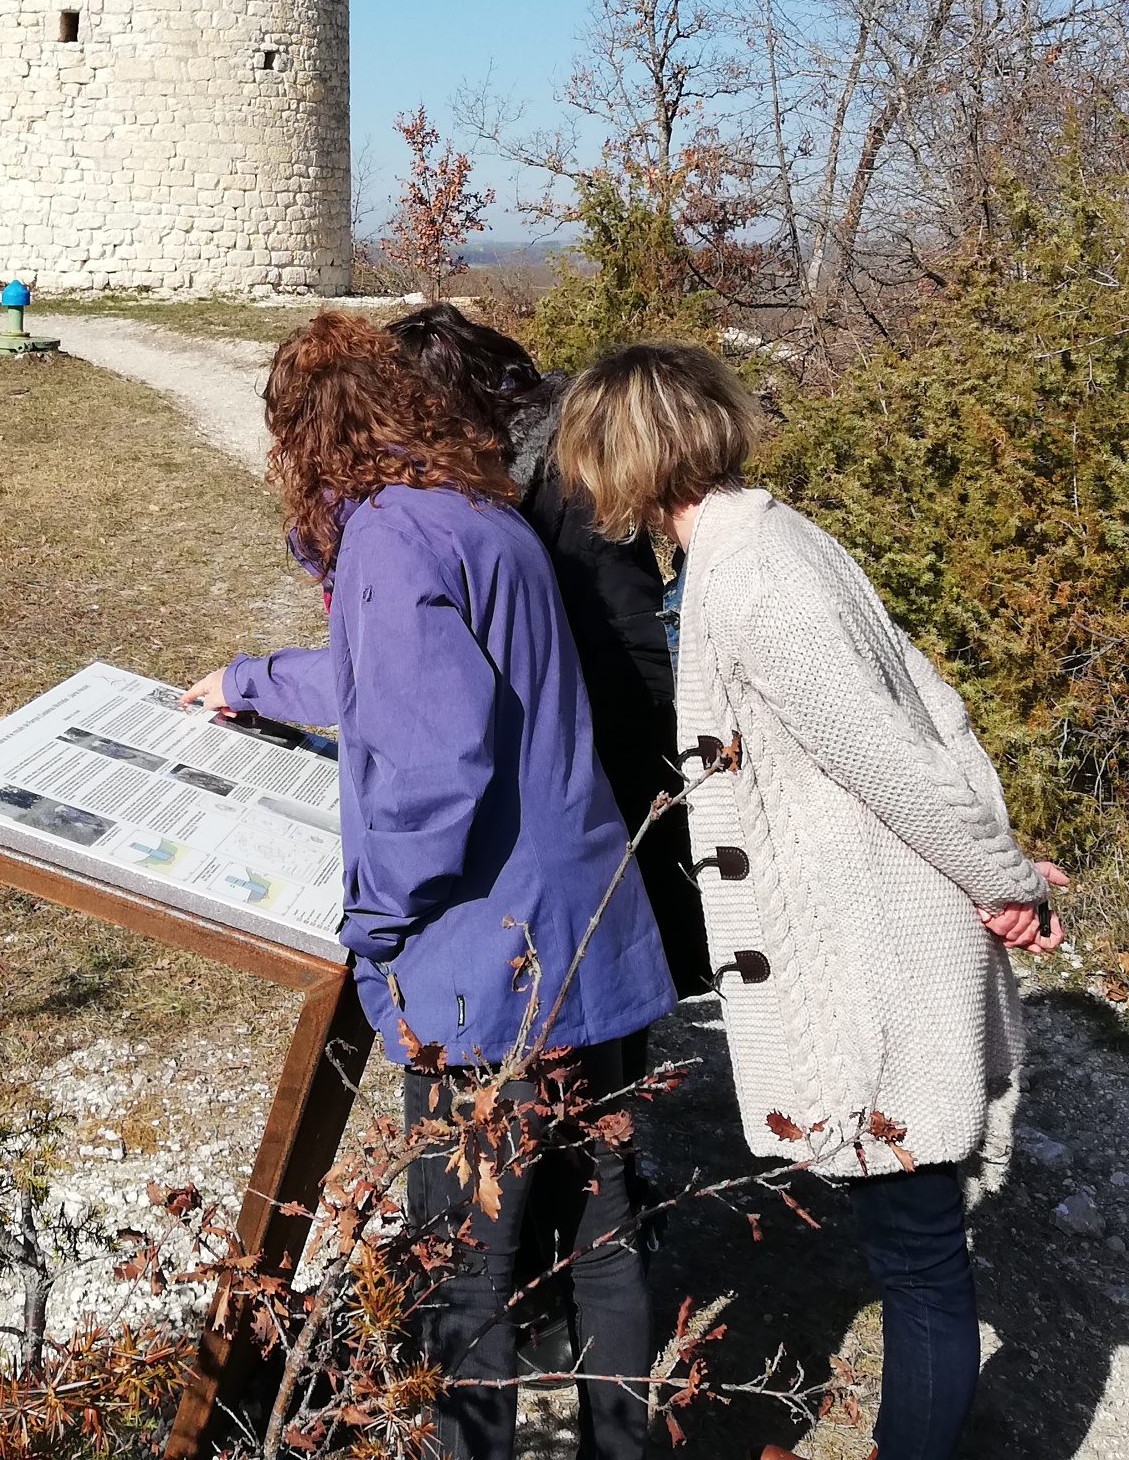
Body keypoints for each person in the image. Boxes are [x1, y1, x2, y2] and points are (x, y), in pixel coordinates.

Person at [553, 341, 1067, 1460]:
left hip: (880, 949)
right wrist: (1003, 857)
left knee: (923, 1263)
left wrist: (1005, 880)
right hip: (884, 923)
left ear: (628, 458)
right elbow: (927, 707)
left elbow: (889, 751)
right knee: (918, 1246)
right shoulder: (771, 537)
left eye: (589, 459)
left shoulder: (755, 578)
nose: (581, 486)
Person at [181, 311, 674, 1460]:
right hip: (581, 936)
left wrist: (375, 921)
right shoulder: (475, 516)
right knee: (597, 1233)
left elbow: (434, 764)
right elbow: (389, 677)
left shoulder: (393, 541)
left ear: (307, 440)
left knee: (470, 1263)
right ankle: (604, 1449)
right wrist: (250, 679)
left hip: (483, 964)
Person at [388, 303, 709, 1000]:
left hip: (600, 756)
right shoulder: (504, 475)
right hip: (562, 756)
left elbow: (631, 637)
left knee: (604, 966)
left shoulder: (565, 475)